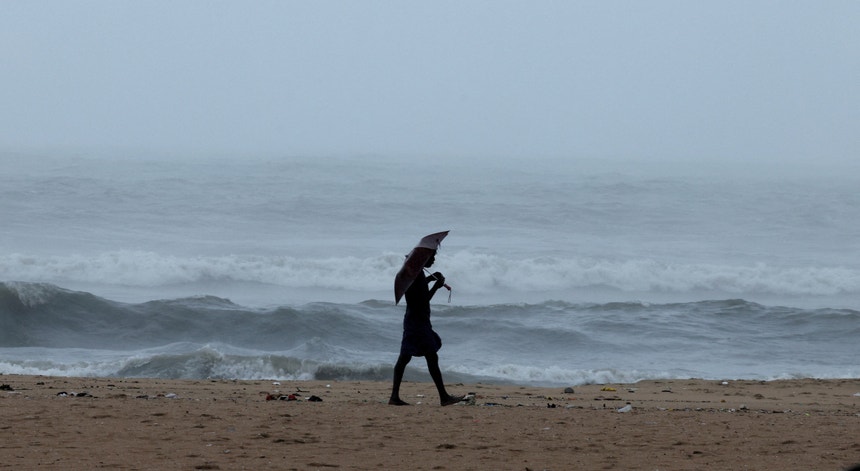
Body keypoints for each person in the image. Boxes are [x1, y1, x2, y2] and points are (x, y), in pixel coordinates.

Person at [389, 250, 463, 406]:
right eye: (432, 257)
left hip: (414, 321)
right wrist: (436, 286)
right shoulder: (416, 275)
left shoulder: (415, 274)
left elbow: (418, 291)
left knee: (405, 358)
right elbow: (421, 301)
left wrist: (430, 278)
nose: (434, 260)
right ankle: (443, 397)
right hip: (418, 323)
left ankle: (394, 397)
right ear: (424, 259)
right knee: (429, 357)